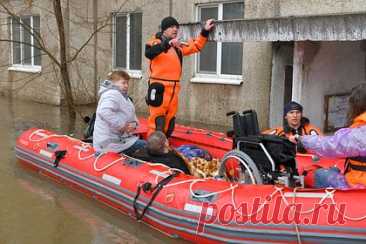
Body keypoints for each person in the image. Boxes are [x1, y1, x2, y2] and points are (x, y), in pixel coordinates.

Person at [145, 16, 215, 137]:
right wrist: (167, 44)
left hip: (174, 89)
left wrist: (205, 31)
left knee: (170, 121)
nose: (175, 29)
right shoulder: (155, 42)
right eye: (172, 27)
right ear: (164, 29)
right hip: (159, 88)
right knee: (157, 121)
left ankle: (165, 145)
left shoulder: (178, 47)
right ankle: (153, 146)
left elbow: (196, 46)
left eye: (177, 27)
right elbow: (149, 53)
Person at [289, 83, 366, 187]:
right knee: (334, 169)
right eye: (291, 113)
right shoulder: (280, 130)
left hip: (360, 186)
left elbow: (327, 145)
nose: (295, 116)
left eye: (297, 113)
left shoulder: (356, 134)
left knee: (320, 174)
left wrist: (301, 139)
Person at [93, 71, 146, 156]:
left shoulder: (123, 96)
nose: (126, 86)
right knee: (146, 147)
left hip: (121, 139)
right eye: (123, 83)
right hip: (109, 143)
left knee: (145, 146)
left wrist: (133, 125)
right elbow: (104, 111)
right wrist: (122, 126)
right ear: (113, 83)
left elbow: (130, 113)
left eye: (127, 83)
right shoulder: (112, 94)